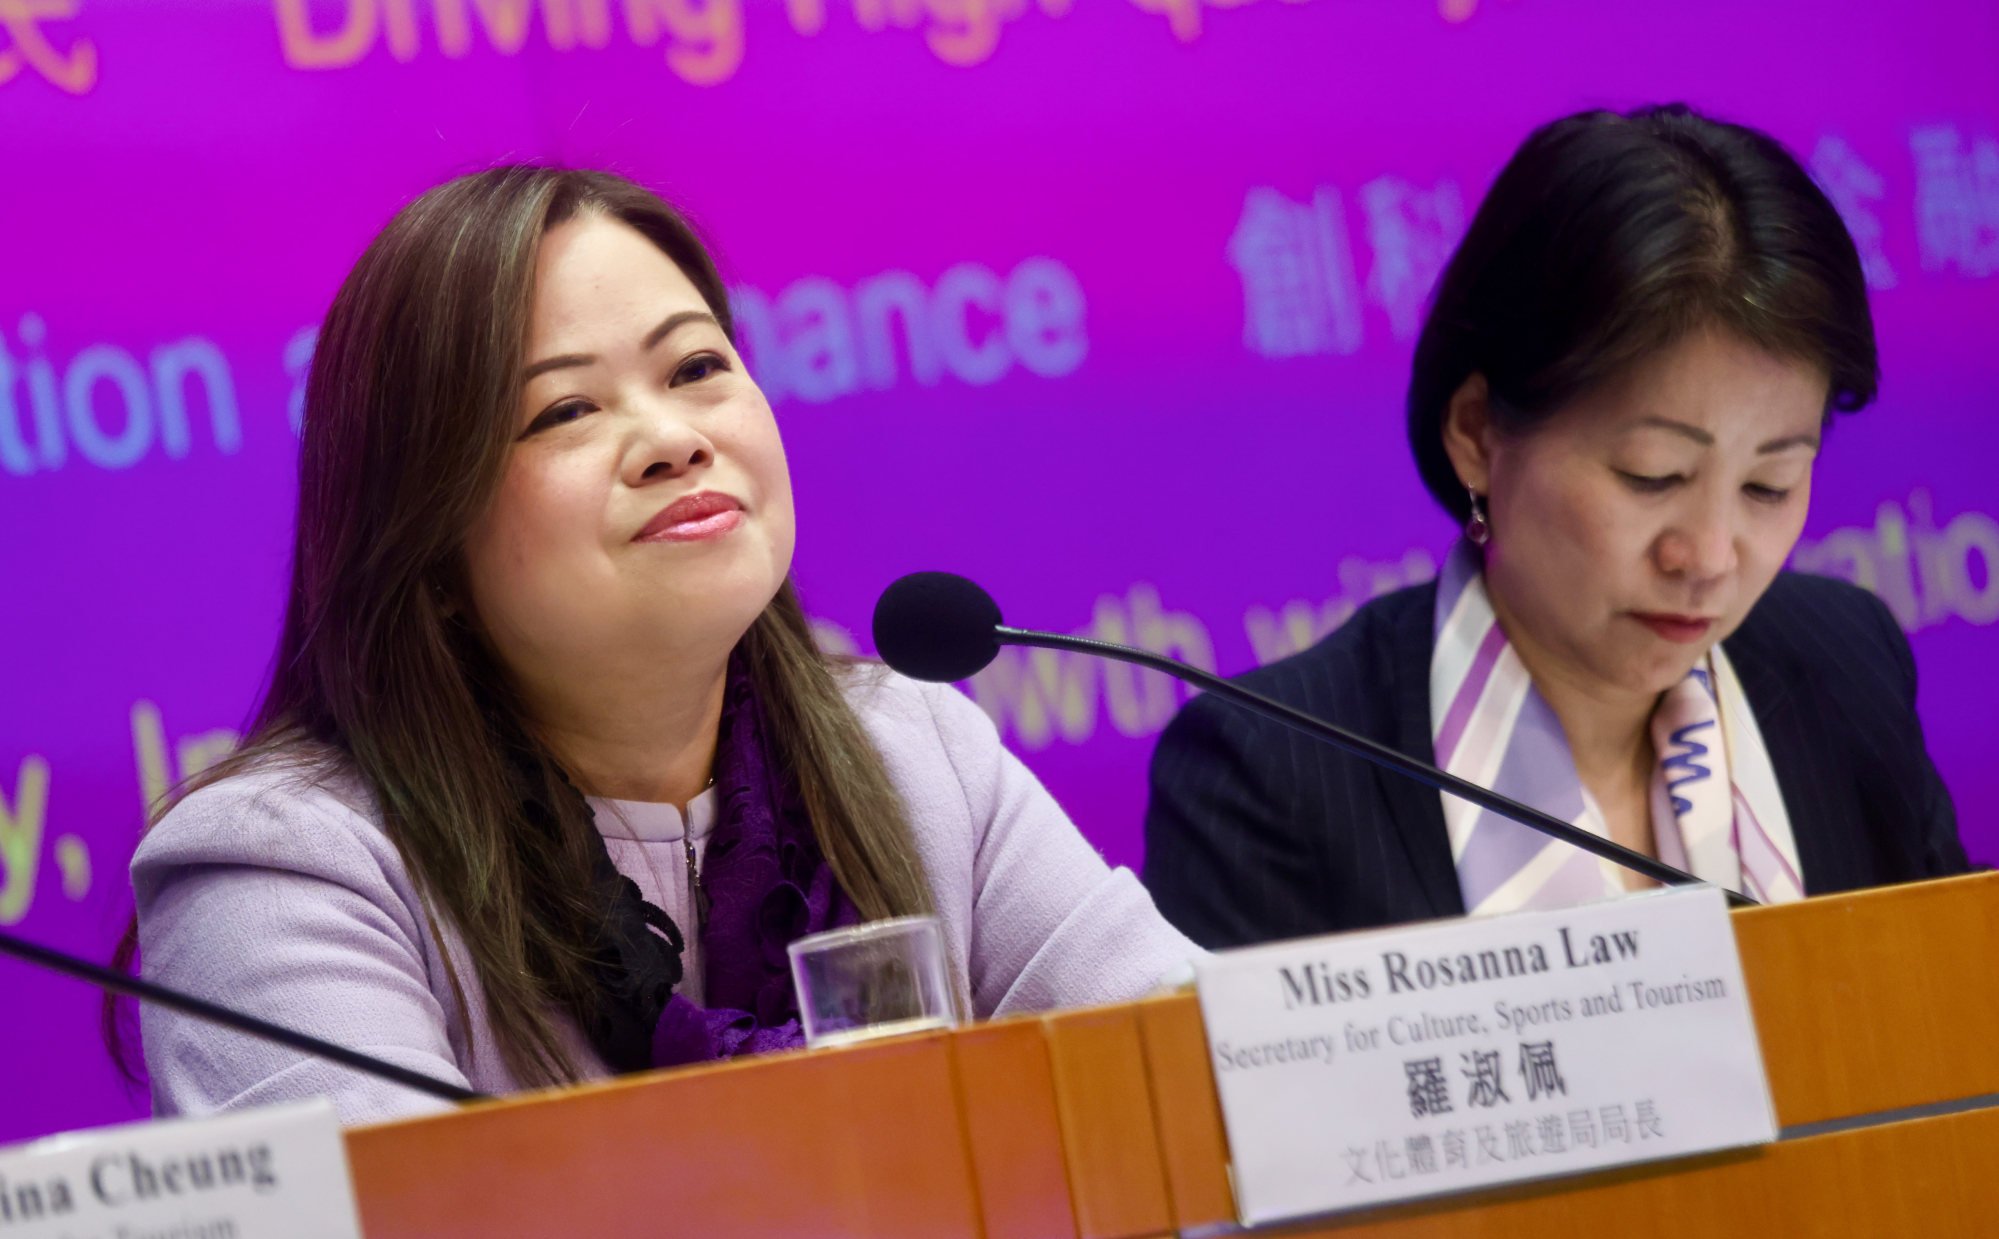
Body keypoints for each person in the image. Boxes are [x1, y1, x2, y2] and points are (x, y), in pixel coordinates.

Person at [127, 167, 1196, 1125]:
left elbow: (1210, 1090)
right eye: (565, 410)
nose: (674, 440)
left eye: (694, 367)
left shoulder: (913, 751)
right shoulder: (286, 873)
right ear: (427, 541)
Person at [1144, 105, 1971, 950]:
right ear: (1477, 432)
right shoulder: (1268, 778)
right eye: (1652, 475)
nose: (1707, 557)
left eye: (1769, 484)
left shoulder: (1844, 663)